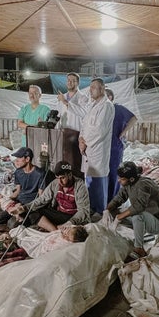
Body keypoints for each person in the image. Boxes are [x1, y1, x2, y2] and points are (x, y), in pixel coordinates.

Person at [107, 161, 159, 258]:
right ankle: (141, 234)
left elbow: (139, 207)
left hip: (157, 222)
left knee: (137, 215)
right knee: (114, 212)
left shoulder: (143, 185)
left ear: (131, 179)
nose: (119, 181)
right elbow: (119, 198)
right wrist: (107, 210)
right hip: (146, 219)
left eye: (122, 179)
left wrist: (119, 218)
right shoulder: (128, 184)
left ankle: (139, 249)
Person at [18, 161, 90, 232]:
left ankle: (54, 228)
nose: (59, 182)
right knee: (32, 211)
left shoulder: (80, 186)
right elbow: (42, 199)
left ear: (70, 175)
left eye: (62, 178)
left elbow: (83, 211)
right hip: (59, 214)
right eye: (57, 178)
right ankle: (55, 230)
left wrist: (70, 222)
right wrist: (24, 208)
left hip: (73, 217)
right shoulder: (55, 183)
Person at [78, 78, 114, 214]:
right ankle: (91, 210)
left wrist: (85, 143)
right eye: (90, 87)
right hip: (87, 149)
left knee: (98, 184)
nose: (90, 90)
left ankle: (99, 212)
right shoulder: (93, 106)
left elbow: (99, 131)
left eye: (94, 87)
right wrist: (80, 139)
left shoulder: (107, 106)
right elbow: (84, 125)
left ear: (102, 89)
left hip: (97, 150)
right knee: (89, 184)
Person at [0, 147, 46, 227]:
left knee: (11, 224)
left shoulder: (40, 173)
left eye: (19, 158)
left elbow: (41, 196)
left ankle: (27, 219)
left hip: (28, 205)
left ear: (27, 159)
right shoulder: (18, 172)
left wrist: (30, 207)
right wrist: (6, 199)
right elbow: (18, 191)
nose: (16, 161)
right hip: (17, 202)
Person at [105, 88, 137, 203]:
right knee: (104, 172)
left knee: (114, 171)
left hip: (115, 145)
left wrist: (123, 132)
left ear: (110, 98)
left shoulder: (118, 109)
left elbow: (133, 118)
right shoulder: (100, 110)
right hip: (103, 147)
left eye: (106, 96)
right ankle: (104, 198)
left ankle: (114, 199)